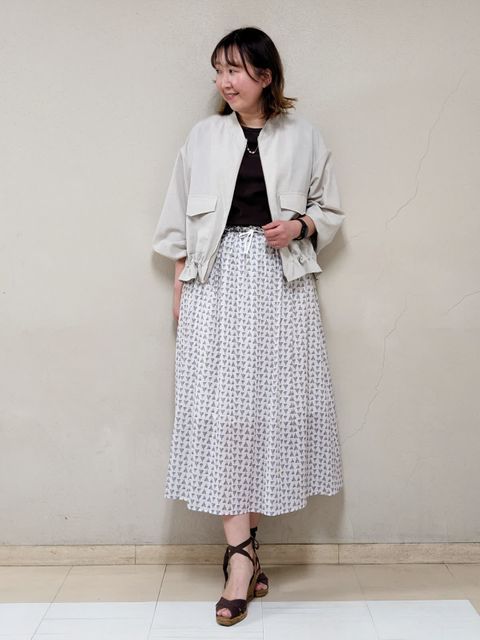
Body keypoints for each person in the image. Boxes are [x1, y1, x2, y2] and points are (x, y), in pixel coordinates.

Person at [152, 26, 345, 627]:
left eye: (234, 69)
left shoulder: (304, 135)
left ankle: (248, 550)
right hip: (216, 282)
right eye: (218, 70)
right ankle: (239, 558)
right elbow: (179, 214)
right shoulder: (203, 136)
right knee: (227, 417)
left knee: (266, 414)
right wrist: (181, 282)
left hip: (281, 284)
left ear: (265, 74)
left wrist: (300, 226)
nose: (224, 81)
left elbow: (329, 209)